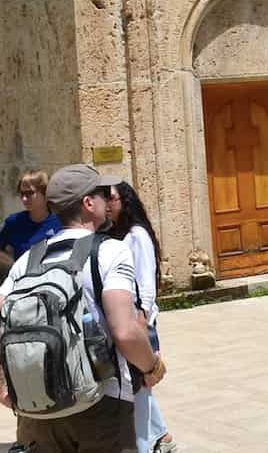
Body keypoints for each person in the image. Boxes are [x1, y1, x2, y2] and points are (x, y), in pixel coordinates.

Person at [0, 165, 166, 452]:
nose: (106, 201)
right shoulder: (110, 251)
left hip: (38, 412)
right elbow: (124, 332)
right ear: (89, 203)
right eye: (102, 195)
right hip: (101, 404)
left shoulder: (27, 260)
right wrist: (152, 366)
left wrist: (2, 389)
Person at [107, 182, 176, 453]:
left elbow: (146, 284)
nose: (108, 204)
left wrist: (141, 322)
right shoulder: (118, 234)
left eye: (111, 198)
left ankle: (144, 445)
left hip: (139, 320)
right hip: (128, 319)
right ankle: (162, 437)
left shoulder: (137, 235)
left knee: (139, 383)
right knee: (136, 383)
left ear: (124, 201)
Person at [0, 169, 62, 268]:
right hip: (23, 281)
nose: (24, 199)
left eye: (29, 193)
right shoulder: (14, 221)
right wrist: (15, 265)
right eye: (22, 194)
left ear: (45, 193)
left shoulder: (61, 221)